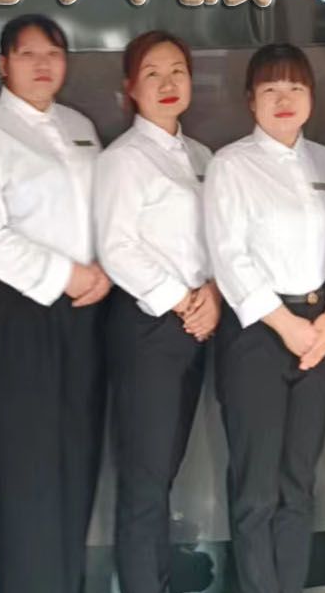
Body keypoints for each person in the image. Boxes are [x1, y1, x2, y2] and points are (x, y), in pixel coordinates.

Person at [0, 14, 108, 593]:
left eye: (53, 53)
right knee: (26, 465)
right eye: (28, 54)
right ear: (4, 64)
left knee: (76, 453)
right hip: (19, 310)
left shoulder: (80, 126)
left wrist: (100, 272)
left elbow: (107, 209)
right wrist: (65, 275)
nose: (43, 65)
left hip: (87, 309)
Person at [205, 43, 325, 593]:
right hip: (258, 335)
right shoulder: (231, 164)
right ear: (251, 100)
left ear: (311, 96)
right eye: (270, 89)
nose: (283, 99)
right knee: (257, 487)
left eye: (295, 88)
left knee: (299, 481)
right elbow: (229, 256)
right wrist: (288, 326)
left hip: (320, 330)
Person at [95, 31, 219, 593]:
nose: (168, 83)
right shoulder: (123, 160)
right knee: (145, 481)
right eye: (152, 73)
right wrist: (182, 300)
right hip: (149, 328)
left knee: (165, 471)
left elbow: (220, 240)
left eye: (177, 71)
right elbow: (116, 247)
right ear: (130, 88)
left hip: (198, 322)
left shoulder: (203, 158)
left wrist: (212, 294)